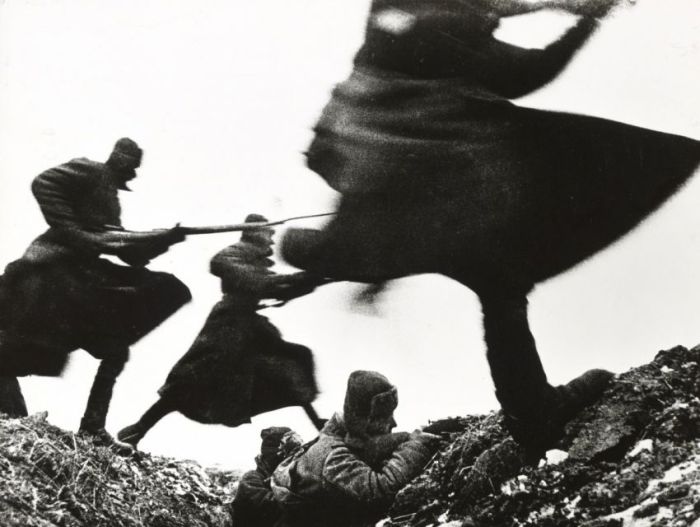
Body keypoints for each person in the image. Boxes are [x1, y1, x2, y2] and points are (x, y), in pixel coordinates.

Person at [281, 0, 700, 455]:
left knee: (497, 283)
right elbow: (523, 71)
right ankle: (532, 413)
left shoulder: (401, 20)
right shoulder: (435, 28)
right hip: (446, 194)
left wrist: (565, 11)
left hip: (392, 193)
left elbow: (476, 26)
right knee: (502, 283)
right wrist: (581, 17)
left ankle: (532, 410)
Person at [0, 138, 191, 444]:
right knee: (16, 348)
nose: (132, 173)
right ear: (118, 157)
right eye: (131, 165)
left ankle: (93, 426)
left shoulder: (110, 199)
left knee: (116, 350)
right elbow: (44, 182)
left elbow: (125, 250)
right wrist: (71, 229)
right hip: (52, 271)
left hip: (81, 277)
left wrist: (165, 239)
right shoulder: (90, 170)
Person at [117, 214, 328, 448]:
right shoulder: (235, 253)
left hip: (250, 326)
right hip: (228, 326)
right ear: (254, 233)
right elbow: (234, 270)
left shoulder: (256, 261)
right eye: (268, 234)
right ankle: (138, 429)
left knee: (294, 363)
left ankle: (318, 424)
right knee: (191, 382)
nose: (271, 241)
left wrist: (314, 278)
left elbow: (279, 287)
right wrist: (289, 281)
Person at [271, 370, 441, 527]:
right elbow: (381, 489)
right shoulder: (332, 458)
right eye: (385, 417)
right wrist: (416, 446)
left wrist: (408, 439)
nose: (394, 423)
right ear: (366, 421)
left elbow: (368, 451)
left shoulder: (345, 438)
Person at [231, 426, 304, 527]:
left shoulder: (289, 478)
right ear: (277, 456)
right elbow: (276, 507)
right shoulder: (250, 480)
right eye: (289, 457)